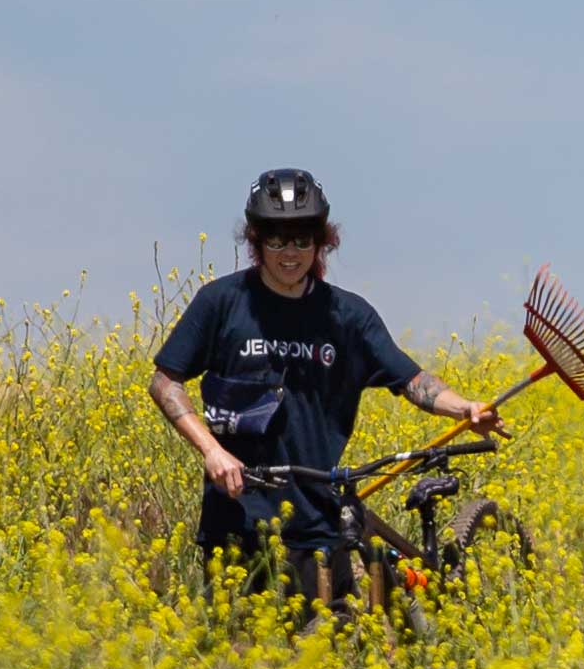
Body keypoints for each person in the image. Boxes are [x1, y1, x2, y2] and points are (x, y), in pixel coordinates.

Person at [144, 169, 503, 606]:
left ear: (322, 241)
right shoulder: (221, 303)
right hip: (235, 517)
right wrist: (211, 451)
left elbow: (411, 380)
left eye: (302, 239)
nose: (289, 253)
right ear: (256, 241)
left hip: (314, 519)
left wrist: (463, 408)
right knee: (236, 654)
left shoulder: (348, 316)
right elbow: (166, 381)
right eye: (276, 240)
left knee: (327, 646)